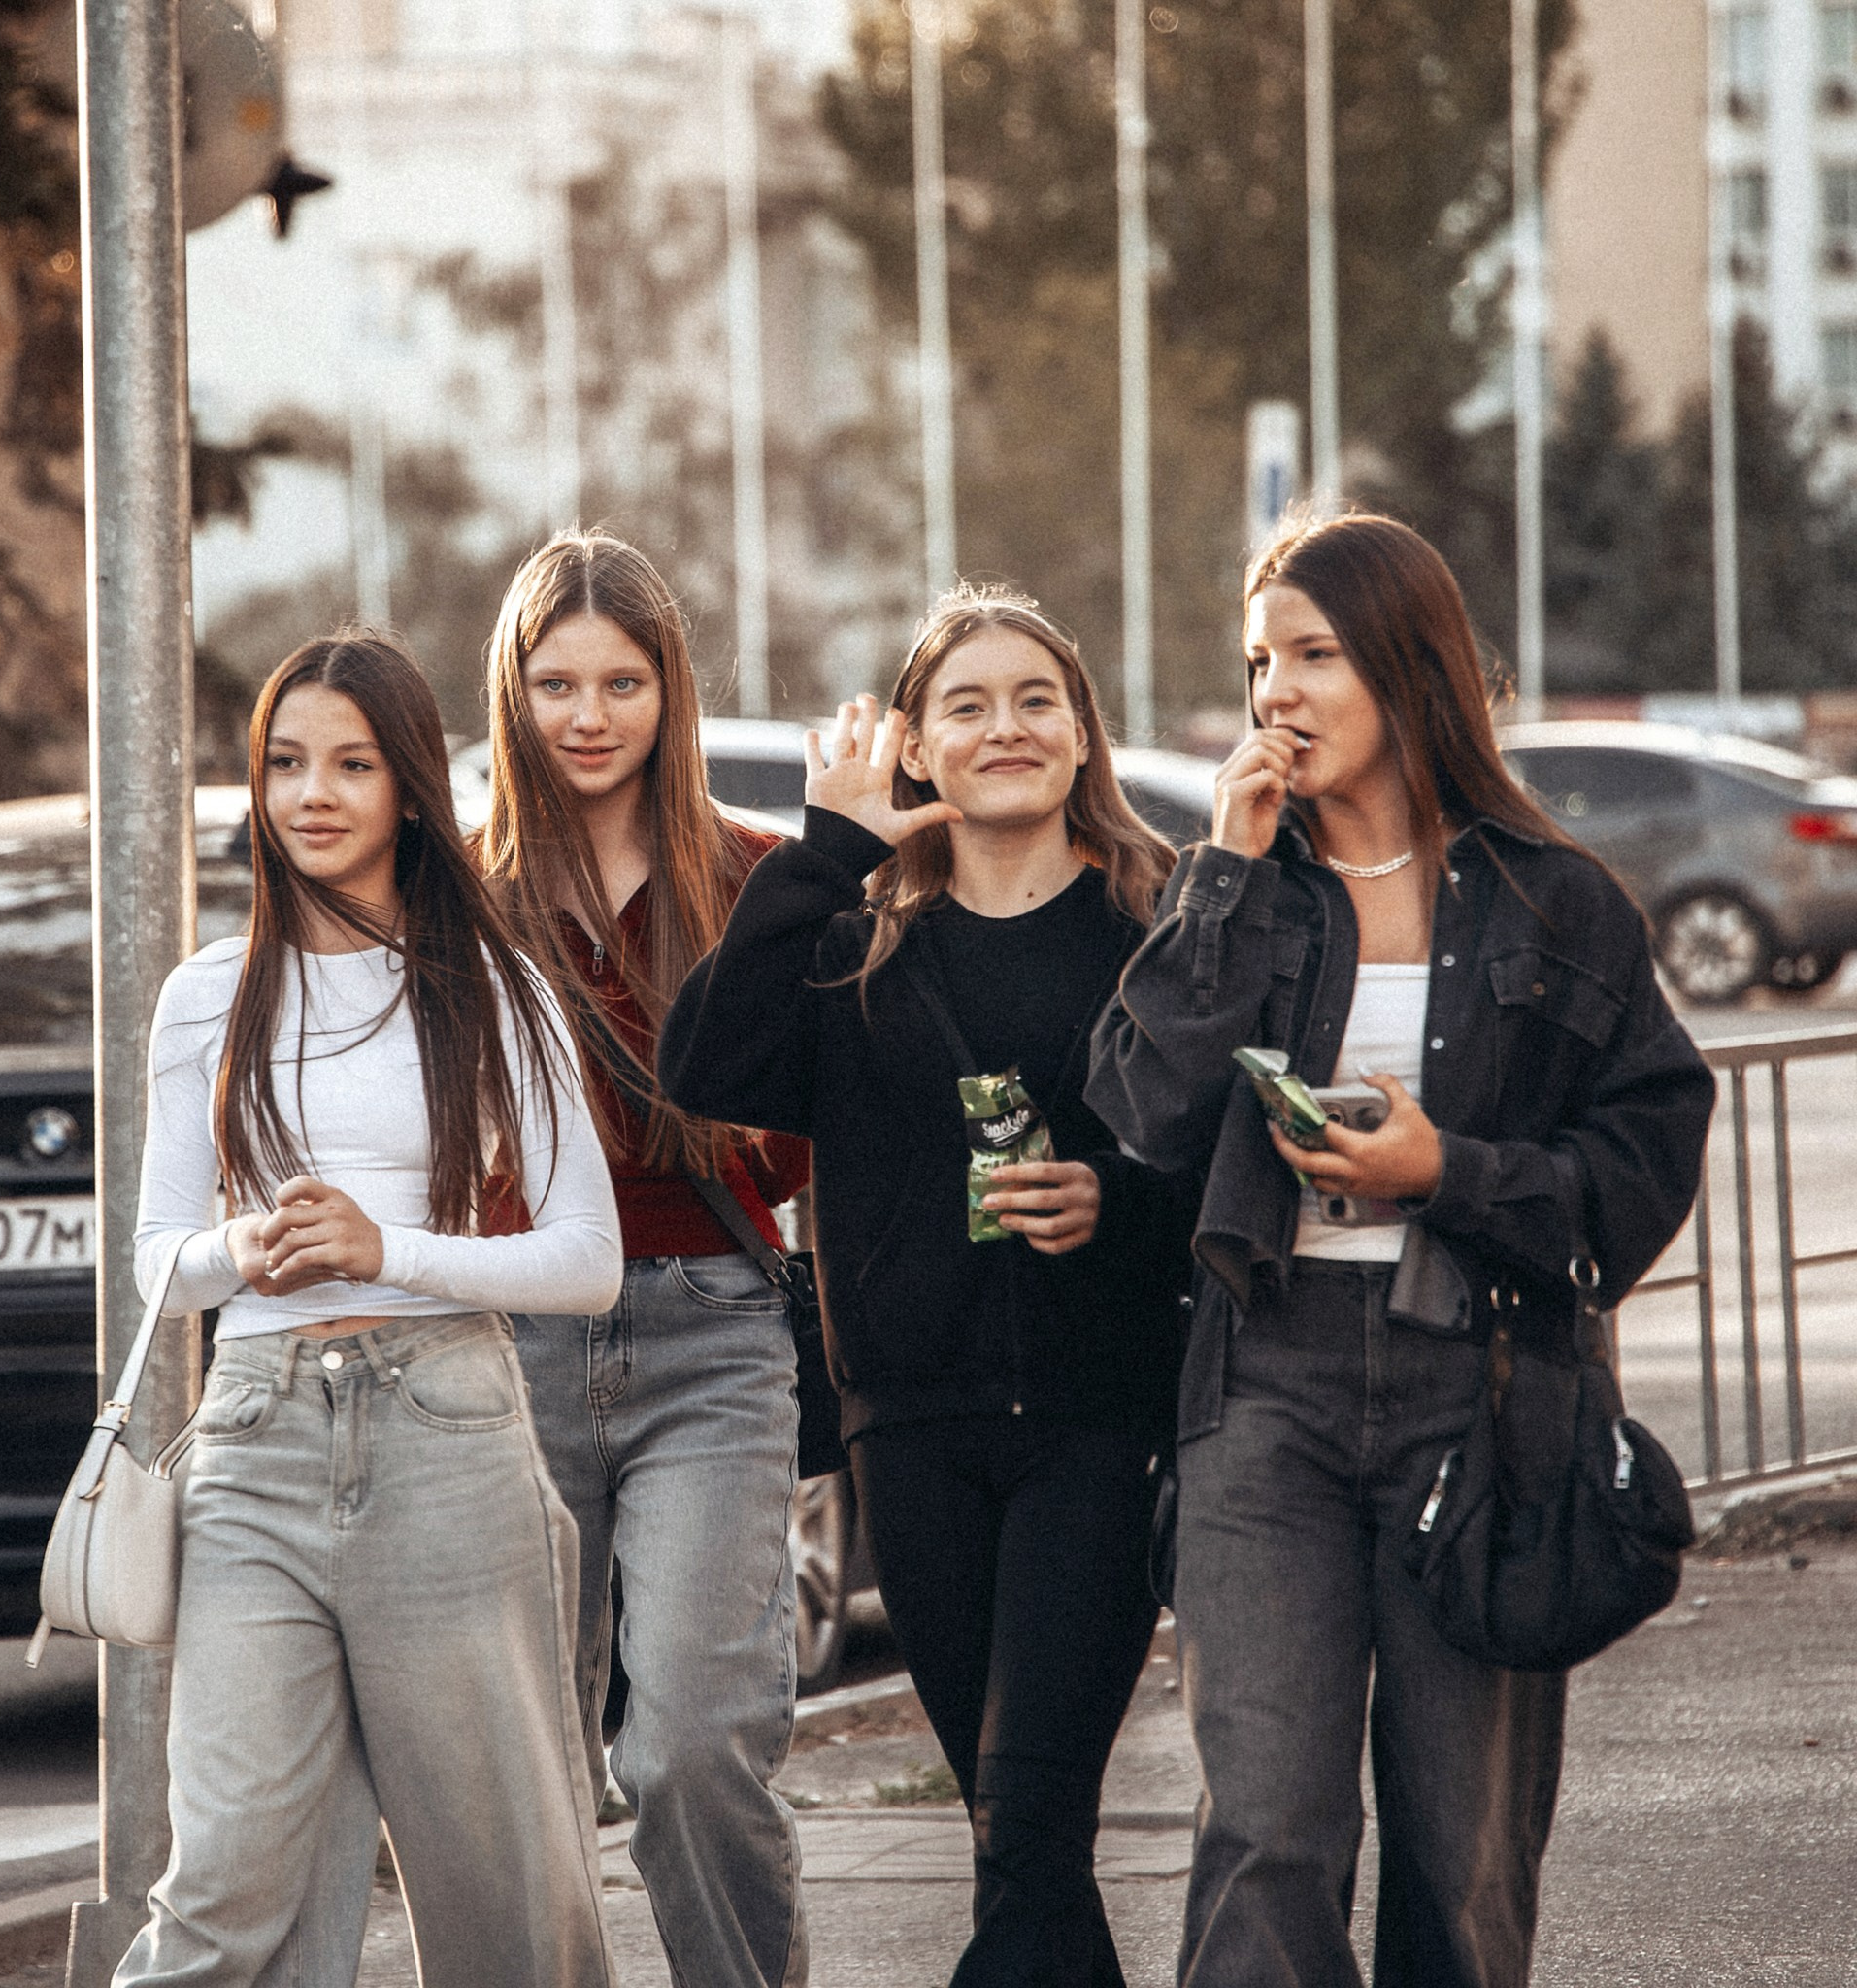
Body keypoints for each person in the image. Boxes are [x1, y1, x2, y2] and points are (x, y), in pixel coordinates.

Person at [1086, 514, 1716, 1988]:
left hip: (1481, 1391)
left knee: (1461, 1851)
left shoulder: (1556, 898)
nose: (1277, 694)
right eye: (1260, 662)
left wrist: (1448, 1173)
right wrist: (1223, 876)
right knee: (1266, 1829)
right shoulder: (1240, 883)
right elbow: (1144, 1110)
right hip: (1263, 1386)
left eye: (1314, 656)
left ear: (1405, 663)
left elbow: (1644, 1158)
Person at [660, 584, 1195, 1988]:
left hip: (1099, 1422)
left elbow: (1226, 1162)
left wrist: (1115, 1199)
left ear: (1082, 733)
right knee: (1020, 1843)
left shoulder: (1157, 929)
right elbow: (702, 1067)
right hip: (912, 1434)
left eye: (1036, 700)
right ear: (915, 745)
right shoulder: (855, 950)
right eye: (967, 705)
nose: (1005, 727)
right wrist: (824, 856)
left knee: (1026, 1823)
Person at [120, 634, 622, 1988]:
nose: (313, 794)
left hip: (445, 1429)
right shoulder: (205, 995)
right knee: (225, 1883)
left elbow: (588, 1259)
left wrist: (388, 1248)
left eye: (351, 764)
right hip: (253, 1441)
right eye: (286, 764)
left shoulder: (495, 987)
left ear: (408, 788)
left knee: (506, 1892)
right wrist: (244, 1248)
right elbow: (157, 1261)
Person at [481, 531, 812, 1988]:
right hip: (505, 1343)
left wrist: (723, 1113)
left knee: (690, 1744)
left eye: (623, 682)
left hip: (710, 1330)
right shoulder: (459, 889)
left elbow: (806, 1130)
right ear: (513, 693)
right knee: (518, 1763)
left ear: (671, 689)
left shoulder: (757, 876)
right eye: (556, 683)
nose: (590, 715)